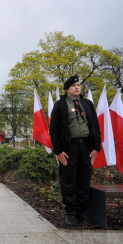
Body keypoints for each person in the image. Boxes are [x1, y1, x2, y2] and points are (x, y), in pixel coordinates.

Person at [49, 75, 101, 226]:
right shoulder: (60, 105)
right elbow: (54, 130)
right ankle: (71, 212)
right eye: (74, 85)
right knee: (69, 180)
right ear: (67, 89)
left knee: (84, 179)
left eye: (78, 85)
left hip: (86, 147)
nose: (77, 87)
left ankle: (82, 212)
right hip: (68, 148)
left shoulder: (87, 104)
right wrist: (58, 151)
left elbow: (95, 126)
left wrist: (96, 147)